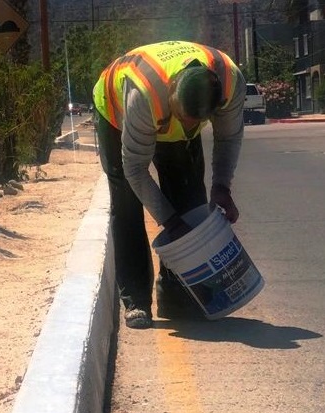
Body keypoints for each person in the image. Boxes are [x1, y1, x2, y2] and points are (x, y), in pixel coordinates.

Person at [92, 40, 246, 329]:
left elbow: (228, 137)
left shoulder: (229, 80)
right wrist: (171, 223)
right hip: (116, 114)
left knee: (190, 199)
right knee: (127, 204)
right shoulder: (143, 94)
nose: (188, 129)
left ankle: (177, 294)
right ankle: (136, 299)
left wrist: (222, 187)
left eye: (196, 123)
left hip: (162, 113)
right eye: (184, 120)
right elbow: (135, 170)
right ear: (171, 96)